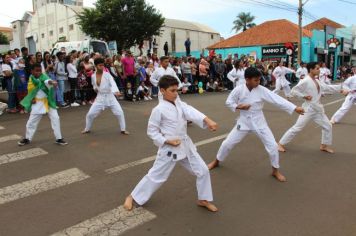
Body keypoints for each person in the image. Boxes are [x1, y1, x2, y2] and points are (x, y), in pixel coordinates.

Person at [124, 75, 219, 212]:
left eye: (177, 90)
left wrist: (207, 120)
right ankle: (132, 197)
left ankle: (203, 199)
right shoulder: (158, 110)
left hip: (185, 145)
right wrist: (166, 141)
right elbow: (152, 131)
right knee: (157, 176)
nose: (176, 93)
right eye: (172, 90)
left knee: (203, 170)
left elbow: (190, 111)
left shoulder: (179, 103)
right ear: (162, 90)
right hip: (169, 148)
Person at [208, 67, 305, 182]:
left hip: (259, 121)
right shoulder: (238, 89)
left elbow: (276, 99)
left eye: (259, 80)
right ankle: (217, 161)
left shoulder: (261, 89)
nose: (258, 82)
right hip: (244, 121)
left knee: (273, 146)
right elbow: (229, 102)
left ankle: (275, 171)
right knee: (227, 143)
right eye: (255, 80)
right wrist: (239, 106)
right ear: (247, 79)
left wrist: (294, 108)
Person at [278, 62, 342, 154]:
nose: (319, 70)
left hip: (317, 109)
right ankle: (280, 144)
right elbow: (294, 91)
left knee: (328, 126)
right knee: (297, 127)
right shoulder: (306, 80)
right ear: (311, 70)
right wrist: (304, 96)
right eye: (317, 68)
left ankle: (324, 145)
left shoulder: (316, 80)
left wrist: (341, 88)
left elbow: (328, 87)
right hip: (308, 109)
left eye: (319, 68)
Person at [18, 63, 68, 146]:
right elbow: (30, 90)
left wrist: (52, 82)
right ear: (32, 71)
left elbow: (47, 81)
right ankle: (27, 138)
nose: (39, 72)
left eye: (40, 70)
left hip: (48, 102)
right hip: (37, 103)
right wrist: (32, 98)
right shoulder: (31, 79)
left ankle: (59, 138)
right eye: (36, 71)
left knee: (56, 118)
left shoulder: (43, 76)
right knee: (31, 122)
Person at [82, 58, 129, 135]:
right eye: (100, 65)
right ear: (96, 66)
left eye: (103, 65)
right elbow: (94, 85)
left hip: (110, 96)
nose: (102, 67)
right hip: (100, 97)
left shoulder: (107, 75)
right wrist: (96, 89)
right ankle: (87, 129)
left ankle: (123, 129)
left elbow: (113, 83)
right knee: (90, 114)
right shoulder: (93, 76)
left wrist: (116, 91)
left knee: (120, 112)